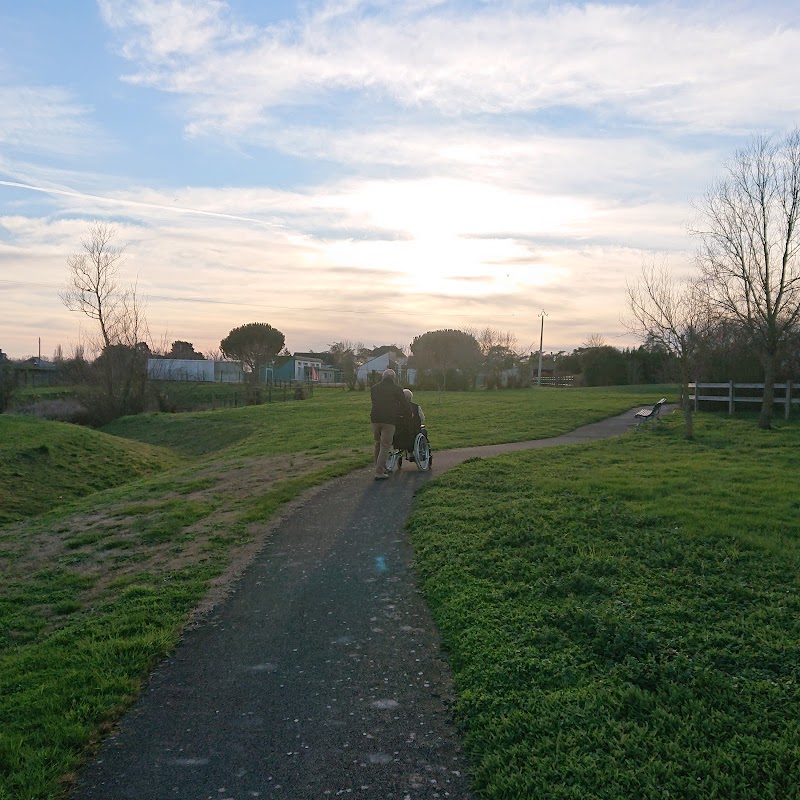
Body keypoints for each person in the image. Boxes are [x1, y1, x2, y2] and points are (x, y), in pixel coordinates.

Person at [370, 369, 410, 480]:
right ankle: (379, 471)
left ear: (383, 377)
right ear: (393, 378)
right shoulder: (396, 389)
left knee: (378, 443)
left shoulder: (374, 388)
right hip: (389, 420)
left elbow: (374, 401)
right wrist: (409, 413)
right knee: (385, 445)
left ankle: (380, 467)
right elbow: (404, 403)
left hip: (375, 418)